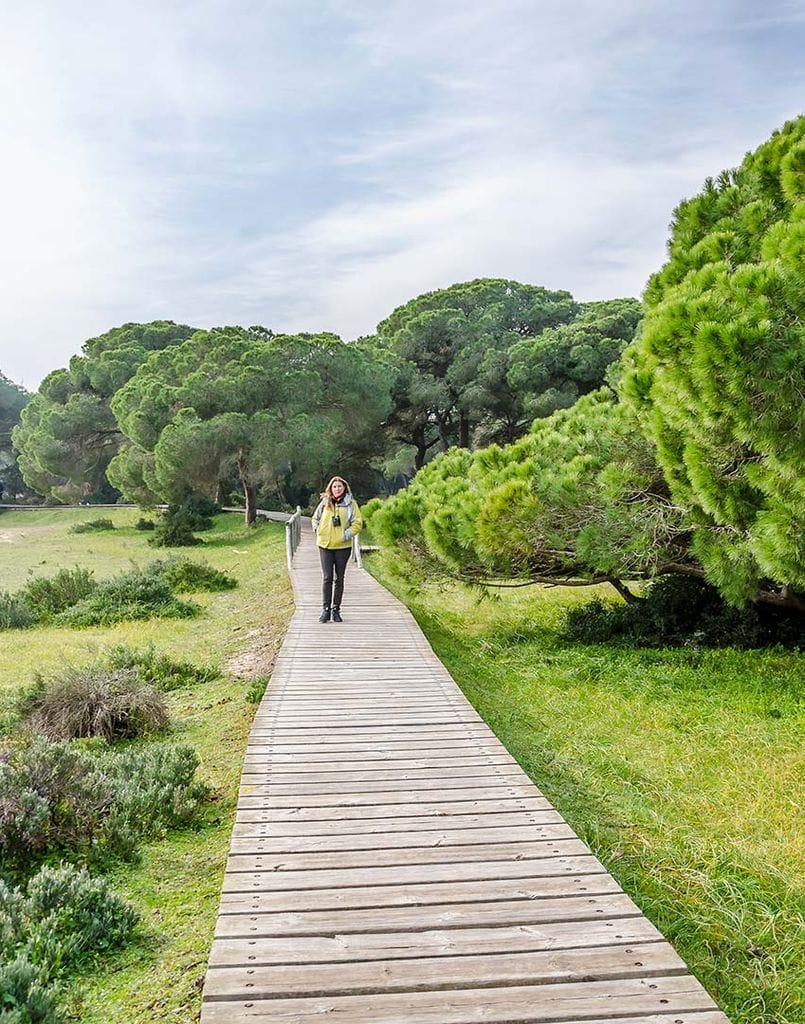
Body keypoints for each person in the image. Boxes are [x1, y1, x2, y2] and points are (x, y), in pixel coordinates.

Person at [312, 476, 363, 623]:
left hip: (342, 547)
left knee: (338, 578)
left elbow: (357, 523)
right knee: (327, 577)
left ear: (345, 488)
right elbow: (315, 518)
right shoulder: (324, 502)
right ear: (330, 488)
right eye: (334, 487)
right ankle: (325, 610)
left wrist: (345, 535)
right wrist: (317, 529)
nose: (337, 489)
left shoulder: (351, 504)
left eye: (340, 486)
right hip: (325, 545)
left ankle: (336, 610)